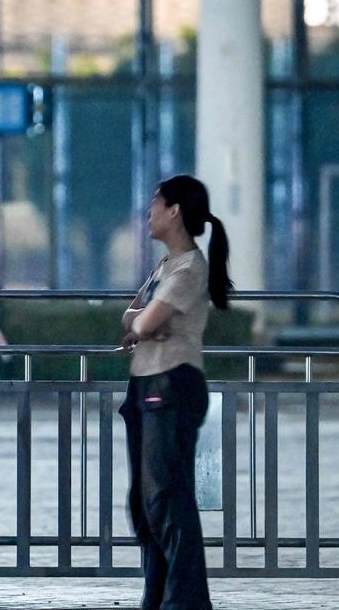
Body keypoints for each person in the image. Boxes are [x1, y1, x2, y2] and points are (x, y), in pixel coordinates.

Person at [119, 174, 230, 610]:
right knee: (145, 502)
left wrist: (144, 322)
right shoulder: (164, 268)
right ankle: (160, 594)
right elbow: (132, 316)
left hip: (171, 383)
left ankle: (185, 601)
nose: (148, 212)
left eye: (155, 203)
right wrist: (143, 321)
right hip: (146, 380)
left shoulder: (188, 268)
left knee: (165, 496)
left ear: (175, 211)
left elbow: (141, 323)